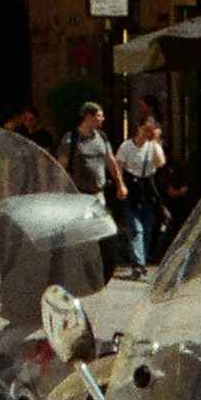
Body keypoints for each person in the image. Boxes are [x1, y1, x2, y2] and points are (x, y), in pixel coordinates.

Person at [61, 100, 125, 274]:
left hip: (98, 194)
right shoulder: (71, 138)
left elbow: (111, 162)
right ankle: (77, 264)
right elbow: (62, 166)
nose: (102, 119)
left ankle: (94, 265)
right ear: (88, 117)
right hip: (78, 195)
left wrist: (120, 184)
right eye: (99, 116)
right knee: (80, 232)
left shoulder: (102, 137)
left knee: (97, 231)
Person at [114, 108, 167, 275]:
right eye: (145, 128)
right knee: (135, 227)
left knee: (147, 226)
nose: (146, 132)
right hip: (132, 190)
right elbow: (118, 167)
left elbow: (160, 163)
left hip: (147, 190)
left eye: (149, 130)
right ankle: (138, 264)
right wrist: (120, 185)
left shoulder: (153, 147)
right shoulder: (126, 147)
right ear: (138, 127)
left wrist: (155, 141)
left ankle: (141, 260)